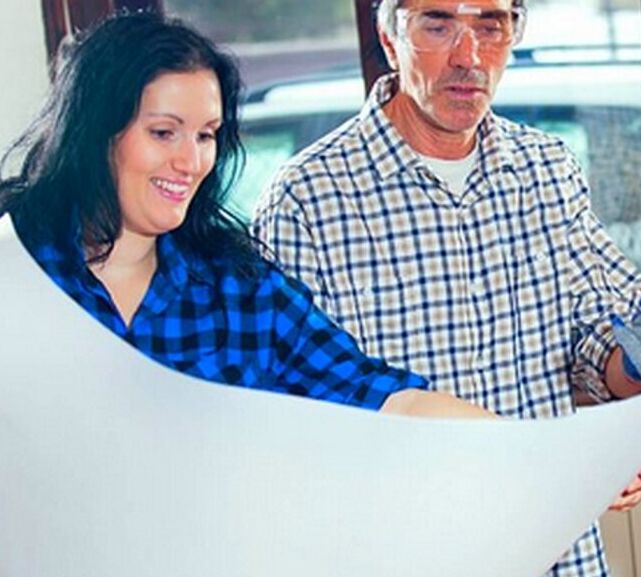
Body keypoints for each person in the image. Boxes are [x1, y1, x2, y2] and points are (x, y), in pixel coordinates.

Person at [254, 1, 641, 577]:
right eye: (438, 24)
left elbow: (598, 345)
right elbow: (293, 421)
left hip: (559, 564)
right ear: (389, 39)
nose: (469, 57)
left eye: (491, 25)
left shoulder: (546, 169)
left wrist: (635, 385)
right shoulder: (306, 199)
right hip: (405, 569)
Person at [0, 10, 496, 422]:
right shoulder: (17, 266)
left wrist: (519, 451)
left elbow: (381, 396)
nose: (190, 162)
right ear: (95, 132)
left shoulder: (241, 291)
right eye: (164, 133)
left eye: (206, 135)